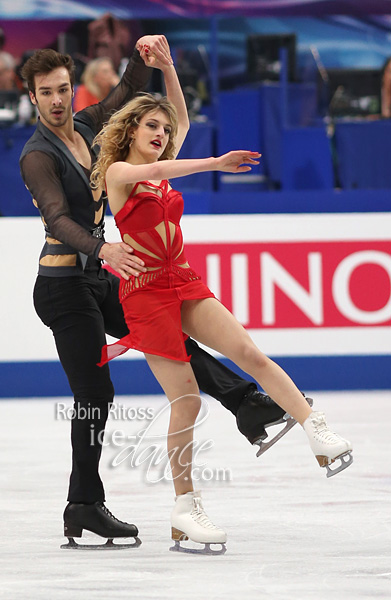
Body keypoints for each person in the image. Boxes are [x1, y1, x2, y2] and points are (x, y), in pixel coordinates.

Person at [19, 39, 304, 550]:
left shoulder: (88, 125)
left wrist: (142, 55)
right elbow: (58, 217)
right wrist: (101, 247)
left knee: (172, 341)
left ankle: (248, 404)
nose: (58, 99)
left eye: (63, 88)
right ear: (33, 98)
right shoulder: (37, 156)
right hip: (64, 287)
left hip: (106, 275)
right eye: (47, 93)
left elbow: (130, 94)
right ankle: (83, 504)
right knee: (95, 397)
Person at [92, 49, 353, 552]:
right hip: (144, 295)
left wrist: (168, 67)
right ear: (131, 130)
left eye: (164, 130)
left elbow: (183, 119)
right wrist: (214, 162)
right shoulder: (120, 173)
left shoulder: (163, 164)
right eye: (151, 125)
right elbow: (170, 164)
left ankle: (314, 429)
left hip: (181, 279)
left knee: (249, 352)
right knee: (186, 399)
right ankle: (185, 508)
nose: (161, 133)